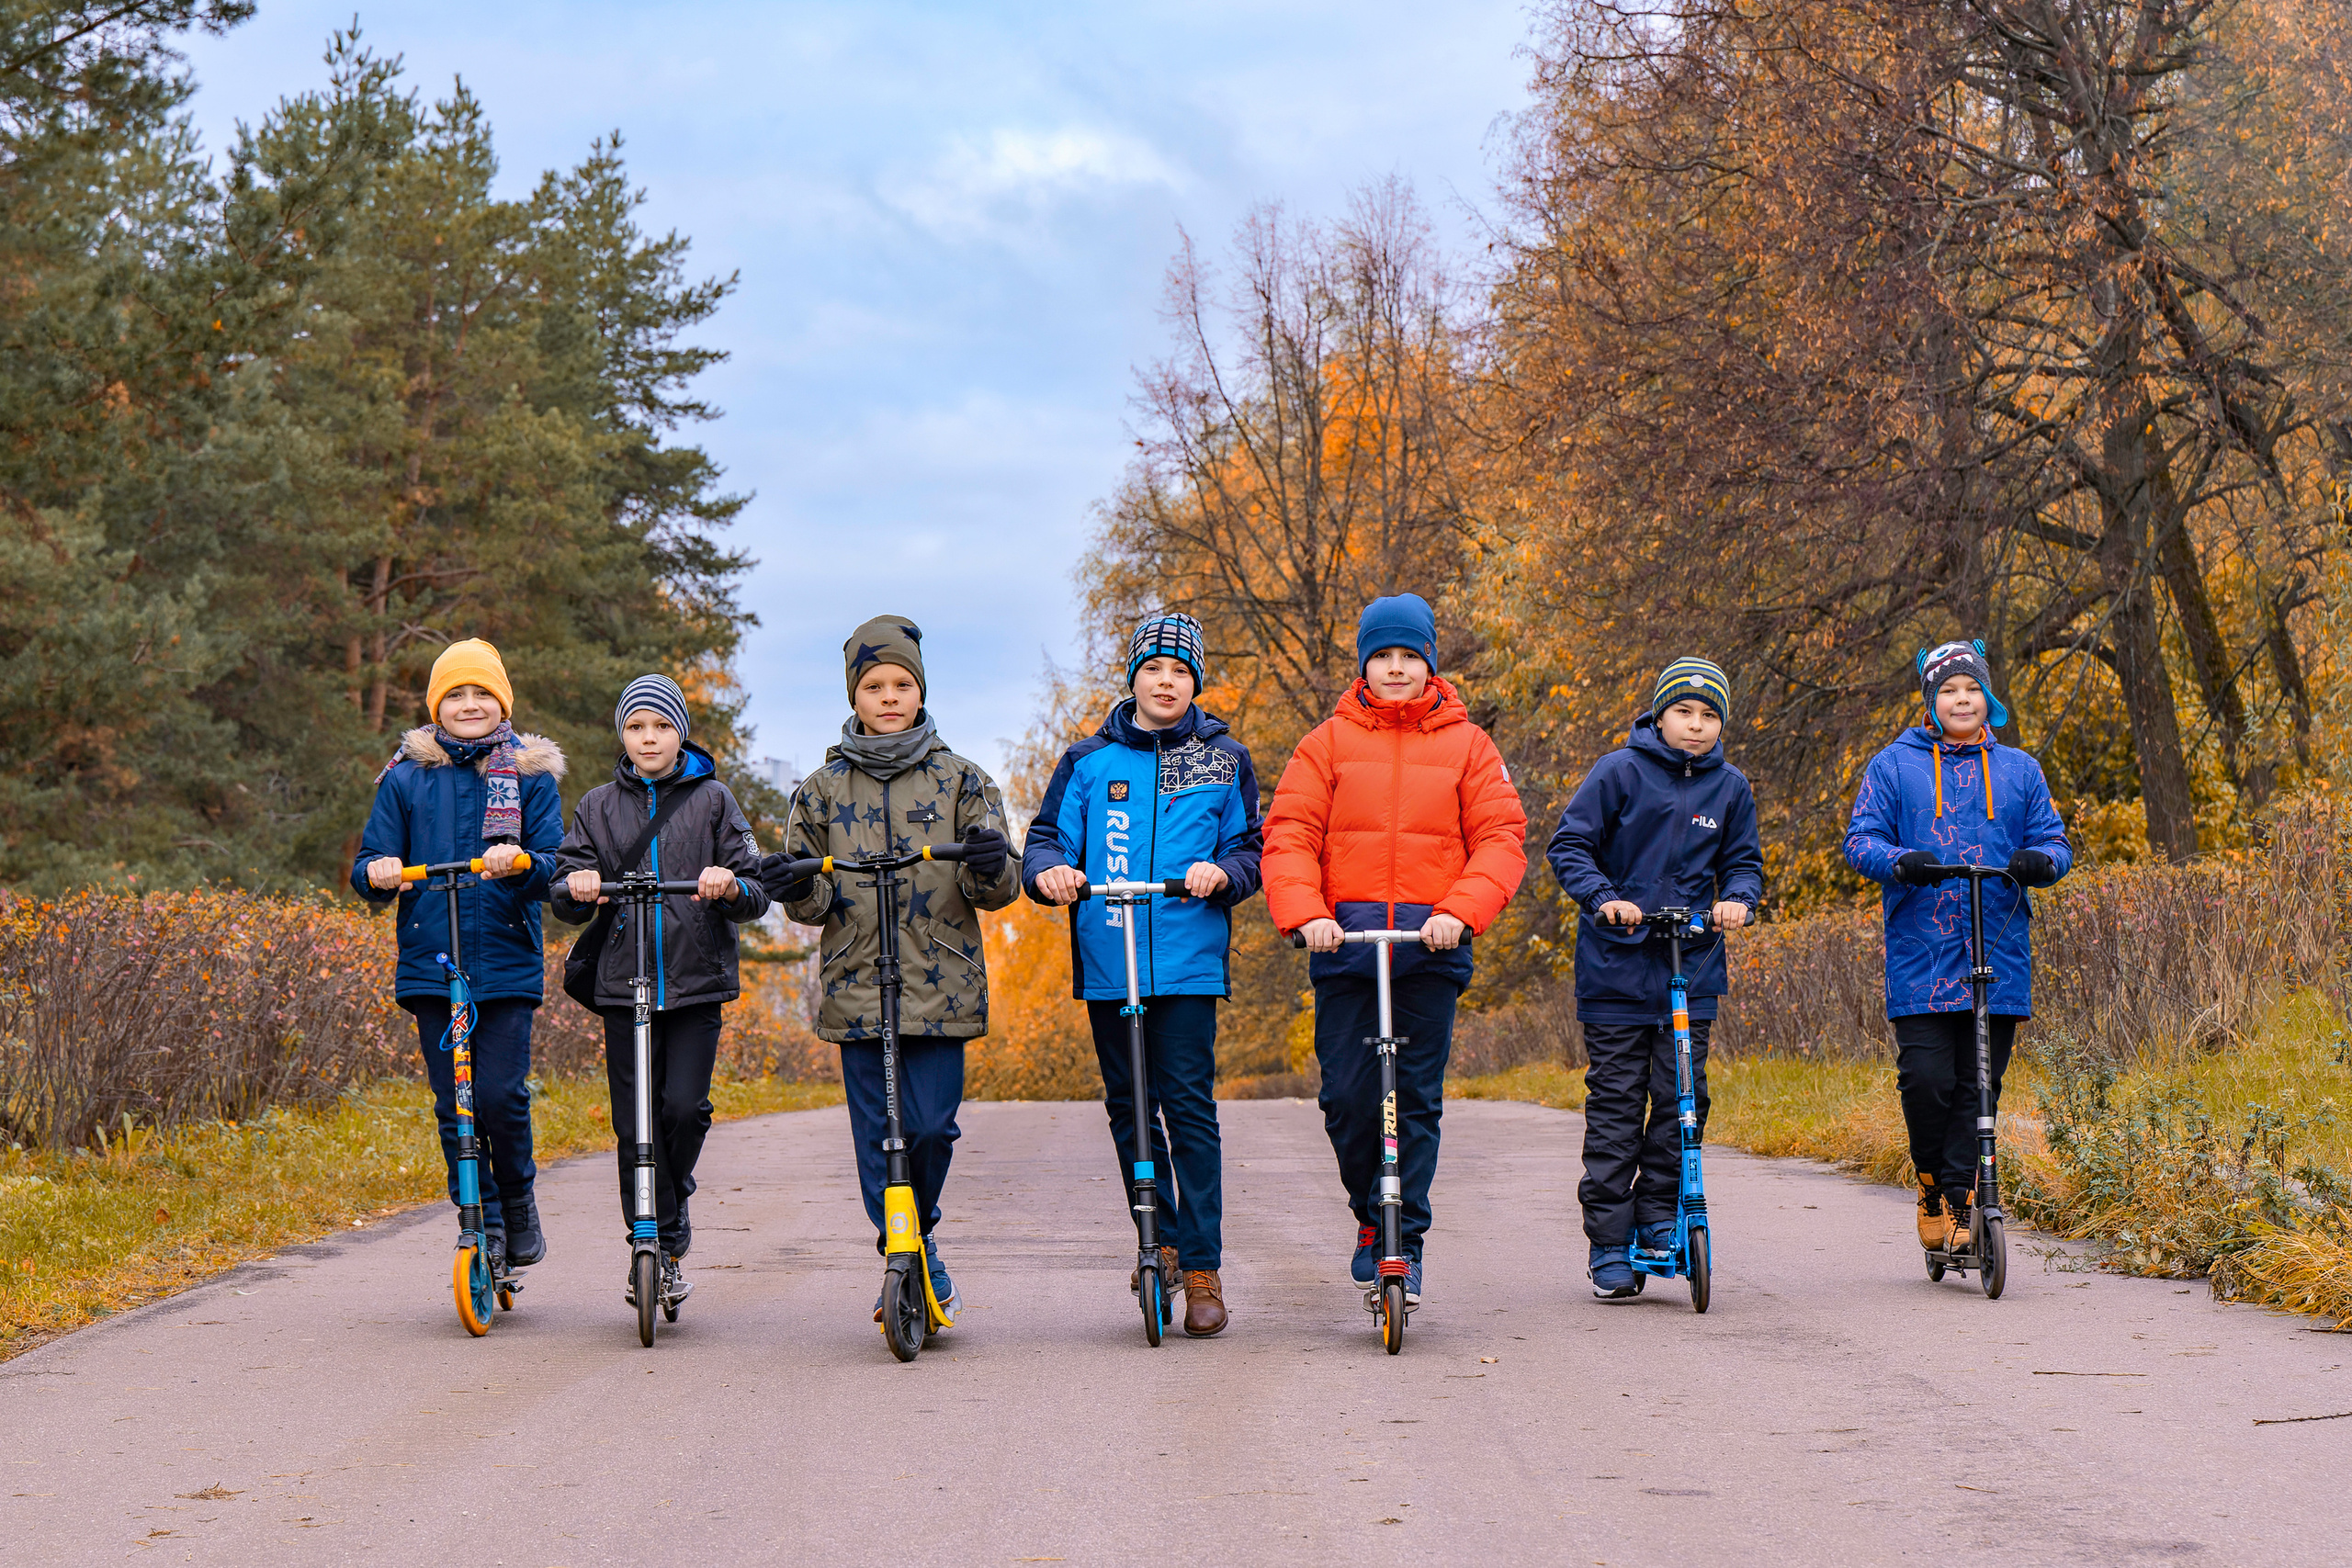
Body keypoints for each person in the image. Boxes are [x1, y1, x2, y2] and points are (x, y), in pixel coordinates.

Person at [1261, 592, 1527, 1309]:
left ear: (1430, 663)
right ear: (1364, 664)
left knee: (1413, 1099)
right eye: (1383, 655)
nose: (1397, 667)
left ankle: (1404, 1233)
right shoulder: (1325, 743)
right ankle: (1369, 1211)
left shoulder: (1470, 746)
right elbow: (1289, 834)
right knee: (1348, 1097)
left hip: (1427, 947)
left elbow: (1500, 839)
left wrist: (1459, 911)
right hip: (1347, 948)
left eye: (1410, 655)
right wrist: (1307, 914)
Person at [757, 615, 1016, 1321]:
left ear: (921, 688)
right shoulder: (819, 791)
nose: (890, 696)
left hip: (941, 985)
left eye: (902, 683)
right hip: (858, 985)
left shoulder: (965, 781)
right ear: (855, 695)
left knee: (929, 1128)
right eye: (875, 685)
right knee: (877, 1134)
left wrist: (990, 863)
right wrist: (791, 884)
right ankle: (907, 1253)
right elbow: (811, 901)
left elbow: (999, 886)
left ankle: (916, 1237)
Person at [1023, 611, 1263, 1337]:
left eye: (1180, 671)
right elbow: (1045, 840)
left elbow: (1251, 848)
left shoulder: (1223, 759)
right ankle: (1157, 1241)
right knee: (1130, 1108)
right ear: (1132, 677)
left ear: (1196, 682)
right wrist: (1052, 873)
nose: (1166, 681)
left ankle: (1202, 1265)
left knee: (1188, 1108)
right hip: (1111, 957)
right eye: (1153, 668)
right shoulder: (1088, 761)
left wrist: (1222, 873)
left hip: (1187, 963)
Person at [1843, 639, 2071, 1256]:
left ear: (1988, 697)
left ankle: (1964, 1198)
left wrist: (2040, 861)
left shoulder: (2020, 770)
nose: (1962, 699)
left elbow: (2056, 842)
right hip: (1922, 949)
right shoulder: (1894, 766)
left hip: (1998, 945)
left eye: (1972, 688)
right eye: (1949, 690)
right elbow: (1860, 840)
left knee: (1980, 1084)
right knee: (1927, 1079)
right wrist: (1900, 861)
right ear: (1931, 700)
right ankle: (1929, 1185)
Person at [550, 673, 771, 1309]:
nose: (649, 738)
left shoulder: (714, 800)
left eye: (661, 726)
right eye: (636, 726)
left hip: (695, 982)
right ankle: (652, 1243)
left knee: (682, 1109)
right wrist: (579, 886)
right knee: (634, 1124)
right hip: (624, 987)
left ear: (681, 733)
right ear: (622, 735)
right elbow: (564, 888)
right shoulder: (597, 806)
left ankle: (670, 1213)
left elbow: (756, 890)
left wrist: (729, 885)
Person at [1546, 657, 1763, 1300]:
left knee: (1681, 1103)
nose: (1695, 725)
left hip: (1690, 966)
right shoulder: (1619, 771)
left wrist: (1737, 900)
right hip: (1616, 967)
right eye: (1683, 711)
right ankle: (1610, 1243)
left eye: (1709, 715)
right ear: (1659, 715)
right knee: (1617, 1106)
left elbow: (1743, 863)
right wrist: (1604, 898)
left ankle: (1658, 1218)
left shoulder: (1731, 787)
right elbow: (1570, 846)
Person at [352, 638, 566, 1275]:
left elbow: (555, 867)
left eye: (482, 693)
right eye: (455, 694)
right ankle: (481, 1219)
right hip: (433, 963)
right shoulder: (405, 778)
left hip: (504, 960)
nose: (469, 704)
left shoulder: (530, 777)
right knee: (454, 1104)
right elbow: (369, 865)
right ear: (436, 706)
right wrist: (381, 869)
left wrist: (520, 861)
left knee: (499, 1096)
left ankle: (517, 1201)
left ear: (502, 703)